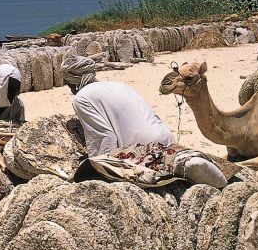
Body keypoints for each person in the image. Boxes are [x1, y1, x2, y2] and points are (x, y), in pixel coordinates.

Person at [62, 56, 226, 188]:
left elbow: (104, 136)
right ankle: (181, 160)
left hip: (140, 144)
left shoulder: (81, 98)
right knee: (163, 155)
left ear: (72, 80)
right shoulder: (117, 84)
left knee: (129, 163)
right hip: (165, 136)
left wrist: (99, 167)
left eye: (66, 80)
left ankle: (181, 166)